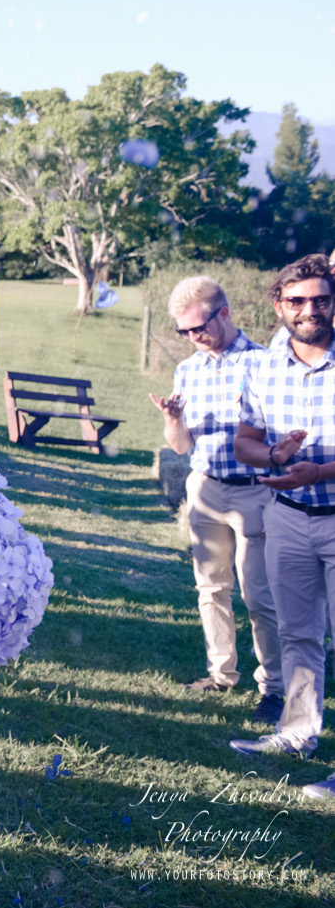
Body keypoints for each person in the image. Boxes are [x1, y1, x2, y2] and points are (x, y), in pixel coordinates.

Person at [148, 276, 282, 723]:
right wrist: (172, 420)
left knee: (259, 594)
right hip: (204, 487)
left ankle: (275, 688)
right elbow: (181, 446)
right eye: (183, 331)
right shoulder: (188, 370)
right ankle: (222, 673)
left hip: (256, 491)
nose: (192, 337)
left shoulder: (265, 363)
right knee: (210, 587)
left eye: (198, 327)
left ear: (223, 313)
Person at [228, 255, 335, 778]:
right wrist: (273, 455)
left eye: (321, 300)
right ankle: (296, 733)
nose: (309, 310)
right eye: (297, 301)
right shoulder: (261, 367)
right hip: (288, 517)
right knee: (297, 633)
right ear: (278, 305)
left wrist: (319, 472)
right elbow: (244, 442)